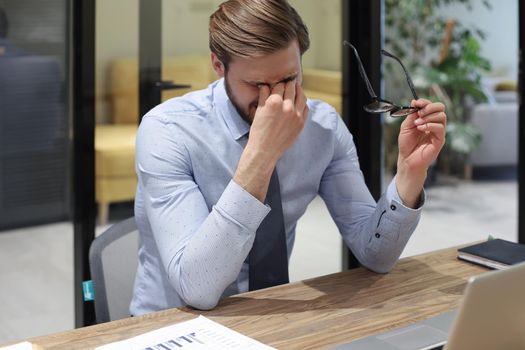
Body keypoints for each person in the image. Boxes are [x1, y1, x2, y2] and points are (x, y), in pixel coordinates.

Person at [130, 0, 446, 315]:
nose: (276, 98)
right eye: (256, 84)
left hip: (273, 322)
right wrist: (262, 155)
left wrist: (409, 172)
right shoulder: (168, 130)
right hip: (171, 328)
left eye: (289, 79)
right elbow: (196, 289)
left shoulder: (324, 128)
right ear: (218, 65)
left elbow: (374, 254)